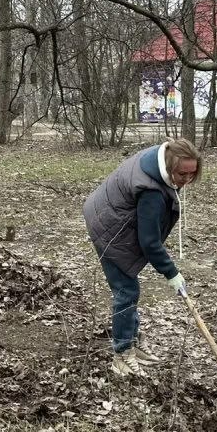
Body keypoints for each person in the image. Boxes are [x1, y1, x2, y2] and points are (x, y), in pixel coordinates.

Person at [83, 137, 202, 377]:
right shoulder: (152, 192)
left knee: (129, 288)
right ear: (169, 166)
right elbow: (149, 242)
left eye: (192, 174)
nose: (187, 179)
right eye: (182, 174)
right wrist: (172, 273)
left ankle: (132, 343)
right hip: (108, 227)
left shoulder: (159, 157)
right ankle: (122, 354)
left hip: (111, 213)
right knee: (126, 291)